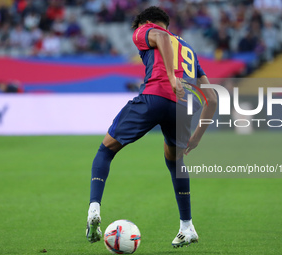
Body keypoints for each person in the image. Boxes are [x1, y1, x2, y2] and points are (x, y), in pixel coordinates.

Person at [86, 6, 217, 248]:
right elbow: (213, 99)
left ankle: (93, 209)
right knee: (175, 162)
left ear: (145, 22)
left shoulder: (145, 30)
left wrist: (170, 76)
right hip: (182, 108)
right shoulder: (188, 49)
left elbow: (162, 37)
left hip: (154, 97)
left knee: (105, 150)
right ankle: (187, 227)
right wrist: (197, 137)